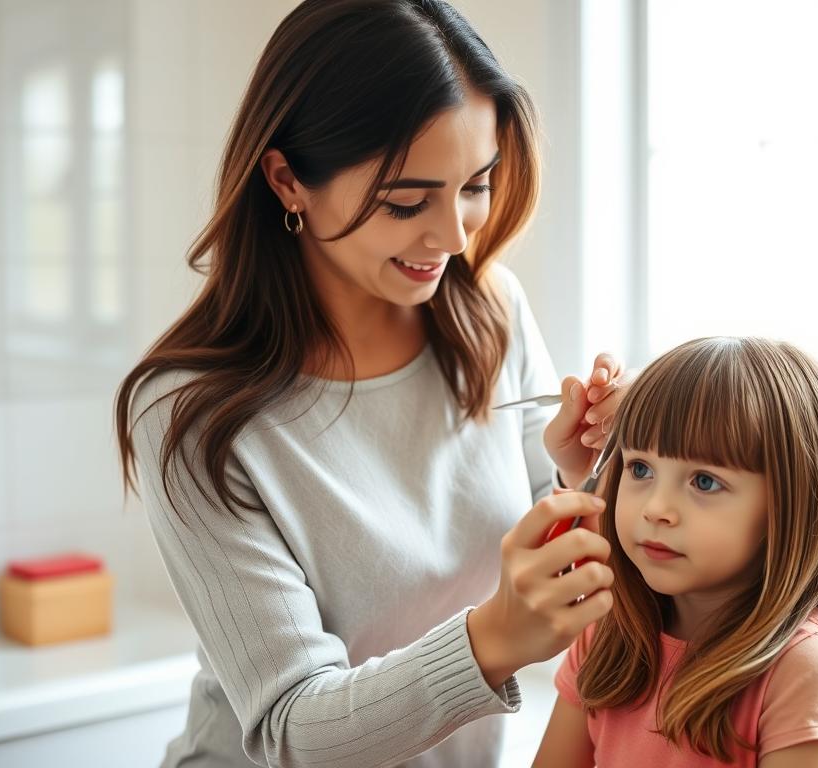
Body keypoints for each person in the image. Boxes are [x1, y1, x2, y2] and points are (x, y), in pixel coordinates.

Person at [114, 1, 622, 766]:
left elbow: (558, 557)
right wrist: (493, 639)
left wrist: (582, 471)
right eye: (407, 201)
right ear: (288, 180)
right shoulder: (192, 414)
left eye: (475, 185)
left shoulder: (492, 315)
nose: (452, 236)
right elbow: (290, 726)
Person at [533, 337, 818, 768]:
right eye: (640, 468)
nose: (656, 509)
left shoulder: (808, 672)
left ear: (791, 505)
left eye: (704, 482)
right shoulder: (609, 637)